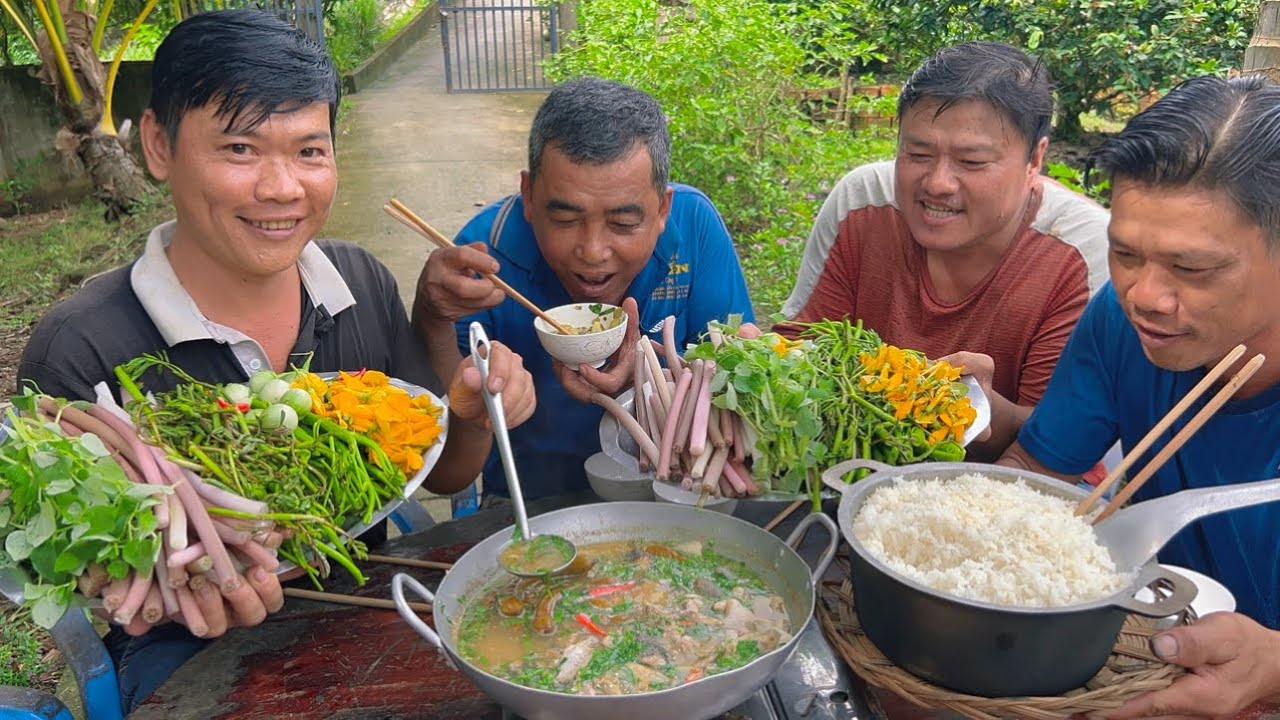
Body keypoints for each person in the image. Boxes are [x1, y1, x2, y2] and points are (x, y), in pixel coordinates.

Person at [16, 10, 534, 712]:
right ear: (159, 145)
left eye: (309, 152)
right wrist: (178, 587)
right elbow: (82, 575)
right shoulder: (83, 346)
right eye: (240, 148)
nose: (282, 187)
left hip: (366, 600)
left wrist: (471, 413)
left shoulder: (359, 283)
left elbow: (439, 470)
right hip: (180, 648)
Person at [997, 75, 1280, 719]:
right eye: (1124, 253)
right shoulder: (1122, 323)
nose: (1145, 295)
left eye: (1192, 268)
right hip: (1165, 666)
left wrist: (1272, 667)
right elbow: (1034, 475)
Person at [414, 77, 755, 501]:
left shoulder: (695, 227)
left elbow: (737, 374)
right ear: (529, 197)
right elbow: (448, 452)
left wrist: (653, 377)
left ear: (662, 209)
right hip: (530, 503)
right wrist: (431, 320)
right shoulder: (483, 257)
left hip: (676, 491)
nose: (593, 253)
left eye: (623, 224)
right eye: (565, 219)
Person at [778, 42, 1110, 459]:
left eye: (971, 162)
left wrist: (981, 408)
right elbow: (802, 342)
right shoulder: (862, 203)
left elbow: (1061, 443)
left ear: (1034, 160)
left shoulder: (1082, 250)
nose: (938, 183)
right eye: (917, 154)